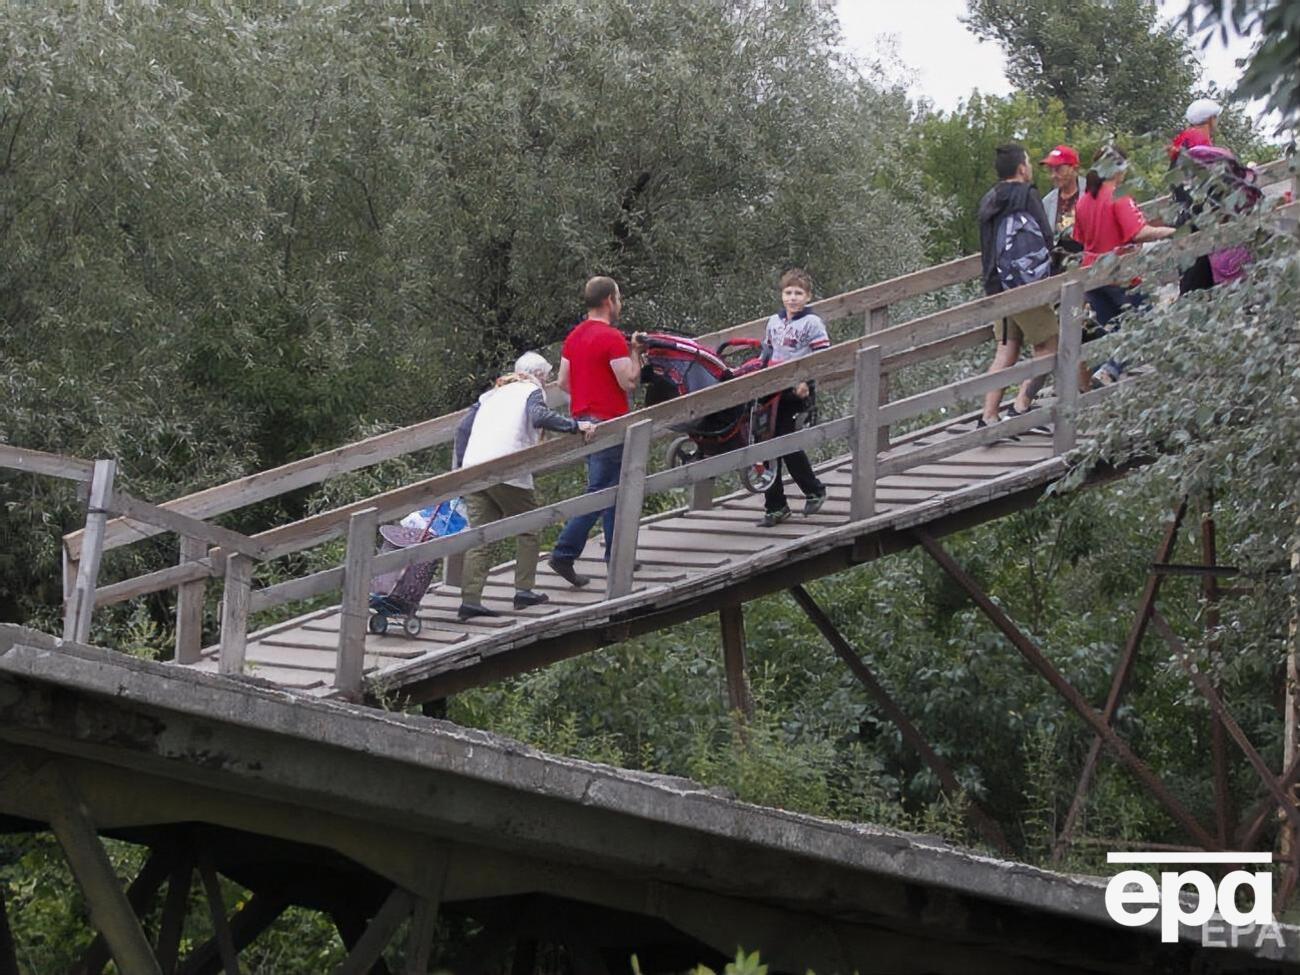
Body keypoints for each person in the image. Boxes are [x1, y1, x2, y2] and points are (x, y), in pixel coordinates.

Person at [454, 353, 595, 620]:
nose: (549, 381)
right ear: (540, 375)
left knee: (480, 537)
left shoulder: (492, 394)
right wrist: (575, 426)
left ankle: (470, 600)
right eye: (548, 376)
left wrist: (461, 467)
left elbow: (462, 429)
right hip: (507, 468)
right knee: (530, 528)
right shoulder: (531, 390)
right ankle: (524, 591)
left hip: (475, 469)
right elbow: (539, 416)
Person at [547, 276, 642, 587]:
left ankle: (617, 554)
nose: (620, 303)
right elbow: (628, 382)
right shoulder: (611, 337)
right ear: (608, 301)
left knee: (612, 487)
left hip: (583, 419)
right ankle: (564, 551)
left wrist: (587, 393)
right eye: (619, 297)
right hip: (608, 421)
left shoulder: (574, 337)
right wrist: (636, 354)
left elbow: (563, 382)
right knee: (602, 490)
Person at [1073, 145, 1176, 384]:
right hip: (1120, 272)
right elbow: (1139, 232)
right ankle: (1109, 371)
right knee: (1145, 323)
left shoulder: (1084, 200)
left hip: (1092, 273)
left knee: (1108, 330)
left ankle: (1102, 382)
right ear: (1118, 169)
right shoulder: (1118, 195)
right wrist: (1172, 231)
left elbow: (1080, 239)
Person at [976, 143, 1059, 428]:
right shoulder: (1027, 195)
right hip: (1025, 285)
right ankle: (1021, 405)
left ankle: (988, 415)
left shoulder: (989, 198)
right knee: (1050, 344)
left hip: (996, 286)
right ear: (1022, 168)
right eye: (1029, 163)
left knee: (1007, 350)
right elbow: (1046, 238)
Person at [757, 268, 829, 527]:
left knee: (784, 441)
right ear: (781, 295)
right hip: (772, 386)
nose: (793, 298)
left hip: (796, 389)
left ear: (808, 297)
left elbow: (821, 357)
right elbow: (766, 353)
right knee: (764, 440)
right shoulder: (774, 322)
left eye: (799, 293)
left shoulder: (812, 323)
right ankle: (775, 505)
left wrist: (805, 381)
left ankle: (813, 489)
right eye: (788, 292)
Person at [1169, 98, 1223, 294]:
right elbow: (1215, 186)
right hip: (1201, 220)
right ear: (1210, 120)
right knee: (1201, 282)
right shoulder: (1202, 148)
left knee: (1191, 279)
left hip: (1183, 220)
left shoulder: (1180, 147)